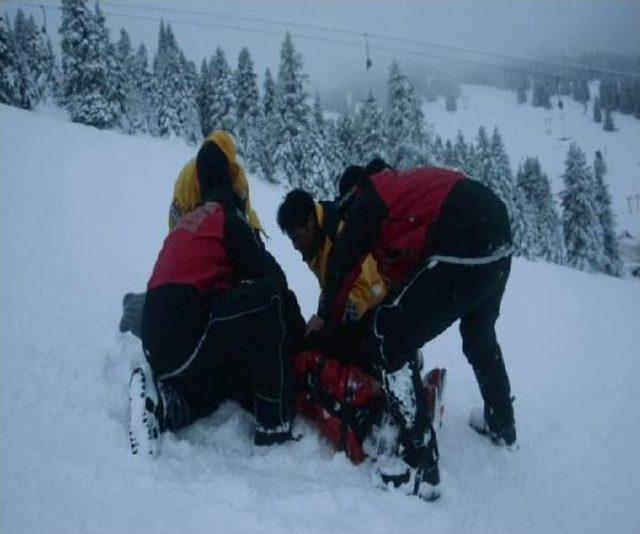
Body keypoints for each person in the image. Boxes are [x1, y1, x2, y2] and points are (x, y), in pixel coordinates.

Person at [318, 159, 517, 501]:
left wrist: (328, 322)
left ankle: (419, 463)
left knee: (391, 338)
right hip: (496, 236)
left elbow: (342, 264)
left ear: (353, 198)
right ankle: (502, 424)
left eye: (347, 215)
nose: (349, 222)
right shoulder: (404, 192)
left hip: (466, 237)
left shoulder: (372, 195)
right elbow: (410, 283)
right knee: (478, 335)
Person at [129, 137, 305, 456]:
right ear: (232, 180)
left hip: (159, 345)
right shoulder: (226, 218)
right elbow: (274, 279)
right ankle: (273, 423)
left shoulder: (187, 222)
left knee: (221, 374)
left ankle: (165, 406)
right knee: (270, 298)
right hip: (186, 332)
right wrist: (298, 338)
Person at [276, 182, 446, 464]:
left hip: (378, 308)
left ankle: (399, 394)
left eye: (296, 237)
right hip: (368, 310)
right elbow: (332, 286)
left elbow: (368, 284)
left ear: (309, 221)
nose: (295, 246)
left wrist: (336, 320)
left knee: (340, 354)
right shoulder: (317, 241)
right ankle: (397, 375)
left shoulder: (336, 234)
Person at [120, 131, 264, 339]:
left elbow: (244, 214)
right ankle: (138, 309)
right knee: (191, 289)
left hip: (199, 228)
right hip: (193, 225)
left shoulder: (223, 173)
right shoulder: (202, 179)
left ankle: (144, 308)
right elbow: (236, 217)